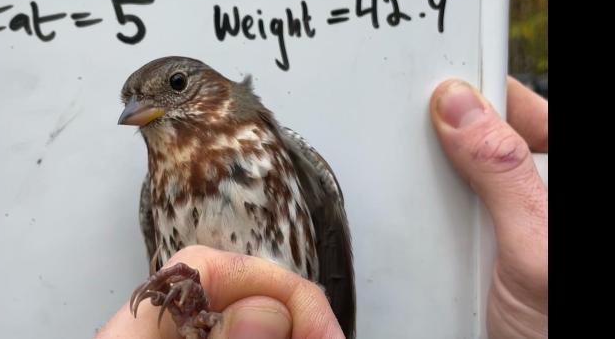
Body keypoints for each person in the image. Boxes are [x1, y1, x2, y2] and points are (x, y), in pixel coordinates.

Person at [95, 77, 548, 339]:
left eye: (175, 86)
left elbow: (332, 286)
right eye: (135, 102)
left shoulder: (285, 155)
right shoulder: (154, 188)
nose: (142, 108)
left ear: (220, 93)